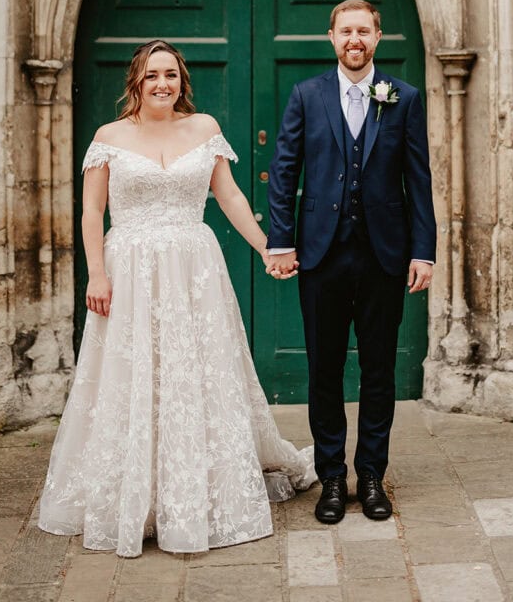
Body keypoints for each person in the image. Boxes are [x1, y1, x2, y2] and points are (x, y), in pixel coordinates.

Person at [38, 40, 315, 557]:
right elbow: (91, 213)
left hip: (194, 269)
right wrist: (96, 275)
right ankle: (134, 496)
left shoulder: (204, 128)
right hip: (130, 269)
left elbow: (228, 196)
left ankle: (197, 493)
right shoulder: (109, 137)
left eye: (170, 74)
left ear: (181, 80)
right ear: (136, 83)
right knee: (134, 376)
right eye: (151, 76)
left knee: (195, 373)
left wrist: (267, 248)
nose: (161, 83)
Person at [267, 0, 436, 525]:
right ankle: (333, 478)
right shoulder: (306, 95)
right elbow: (284, 171)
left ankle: (371, 475)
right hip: (321, 255)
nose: (355, 39)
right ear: (332, 37)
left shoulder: (403, 98)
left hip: (385, 255)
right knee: (324, 370)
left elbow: (419, 178)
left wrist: (423, 250)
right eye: (346, 31)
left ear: (377, 38)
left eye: (364, 31)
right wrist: (282, 241)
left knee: (379, 370)